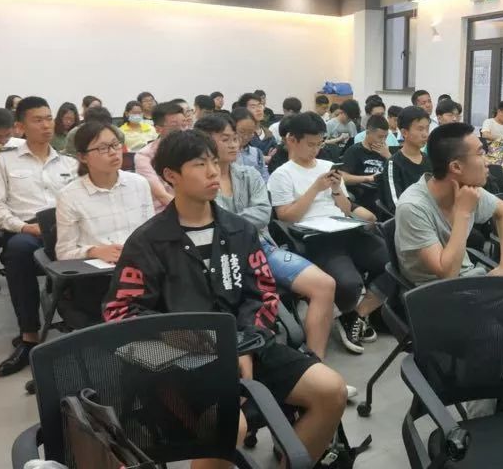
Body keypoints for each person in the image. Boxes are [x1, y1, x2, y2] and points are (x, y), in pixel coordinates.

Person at [102, 129, 347, 466]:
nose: (213, 172)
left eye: (214, 163)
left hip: (245, 344)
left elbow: (263, 293)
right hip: (182, 358)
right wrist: (192, 338)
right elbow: (121, 312)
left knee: (331, 390)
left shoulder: (238, 229)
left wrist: (244, 345)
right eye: (199, 164)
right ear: (171, 175)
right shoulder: (148, 242)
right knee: (229, 427)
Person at [195, 114, 337, 360]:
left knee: (324, 284)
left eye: (235, 138)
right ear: (204, 143)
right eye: (225, 139)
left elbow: (262, 214)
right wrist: (234, 222)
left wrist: (229, 221)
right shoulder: (198, 182)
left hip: (260, 248)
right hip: (219, 257)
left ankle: (316, 360)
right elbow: (209, 223)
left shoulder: (249, 175)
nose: (234, 144)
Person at [268, 112, 390, 355]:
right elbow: (286, 216)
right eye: (310, 144)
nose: (316, 150)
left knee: (391, 264)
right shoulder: (282, 174)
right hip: (315, 235)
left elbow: (345, 208)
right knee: (349, 283)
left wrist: (335, 189)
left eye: (319, 144)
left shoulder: (327, 167)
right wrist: (315, 188)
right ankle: (348, 313)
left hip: (342, 226)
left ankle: (354, 316)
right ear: (292, 140)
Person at [0, 97, 78, 376]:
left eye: (49, 118)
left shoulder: (69, 162)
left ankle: (87, 326)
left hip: (67, 229)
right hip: (29, 230)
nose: (46, 125)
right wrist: (24, 227)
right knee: (17, 251)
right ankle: (29, 336)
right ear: (20, 127)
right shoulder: (4, 160)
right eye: (38, 120)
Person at [395, 121, 503, 282]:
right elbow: (447, 275)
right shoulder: (413, 207)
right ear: (456, 167)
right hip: (431, 290)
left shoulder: (466, 188)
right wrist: (463, 212)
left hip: (468, 279)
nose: (488, 162)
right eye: (480, 153)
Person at [57, 121, 154, 263]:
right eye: (102, 148)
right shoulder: (69, 196)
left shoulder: (139, 183)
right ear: (83, 157)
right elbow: (64, 253)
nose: (113, 152)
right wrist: (94, 251)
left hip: (142, 264)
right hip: (99, 270)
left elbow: (151, 233)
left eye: (115, 145)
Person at [135, 101, 188, 213]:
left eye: (184, 124)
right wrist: (191, 213)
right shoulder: (145, 156)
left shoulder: (195, 149)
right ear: (158, 129)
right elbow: (162, 195)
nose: (182, 131)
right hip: (163, 212)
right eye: (174, 126)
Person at [382, 107, 431, 211]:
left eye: (427, 129)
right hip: (409, 216)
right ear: (404, 132)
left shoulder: (430, 160)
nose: (425, 134)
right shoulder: (393, 164)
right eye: (420, 129)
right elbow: (396, 203)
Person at [341, 115, 391, 212]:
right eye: (380, 137)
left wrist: (388, 156)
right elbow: (343, 177)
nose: (383, 140)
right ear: (368, 133)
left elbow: (399, 173)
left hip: (384, 191)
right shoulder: (354, 151)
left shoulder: (385, 151)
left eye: (386, 137)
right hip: (364, 192)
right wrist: (369, 178)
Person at [232, 107, 269, 182]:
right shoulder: (224, 154)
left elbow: (265, 179)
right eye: (242, 132)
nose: (246, 137)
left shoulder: (257, 153)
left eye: (250, 132)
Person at [239, 93, 277, 162]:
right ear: (244, 110)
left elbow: (275, 153)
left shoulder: (268, 133)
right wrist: (265, 158)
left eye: (260, 106)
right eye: (253, 107)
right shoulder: (241, 134)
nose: (258, 110)